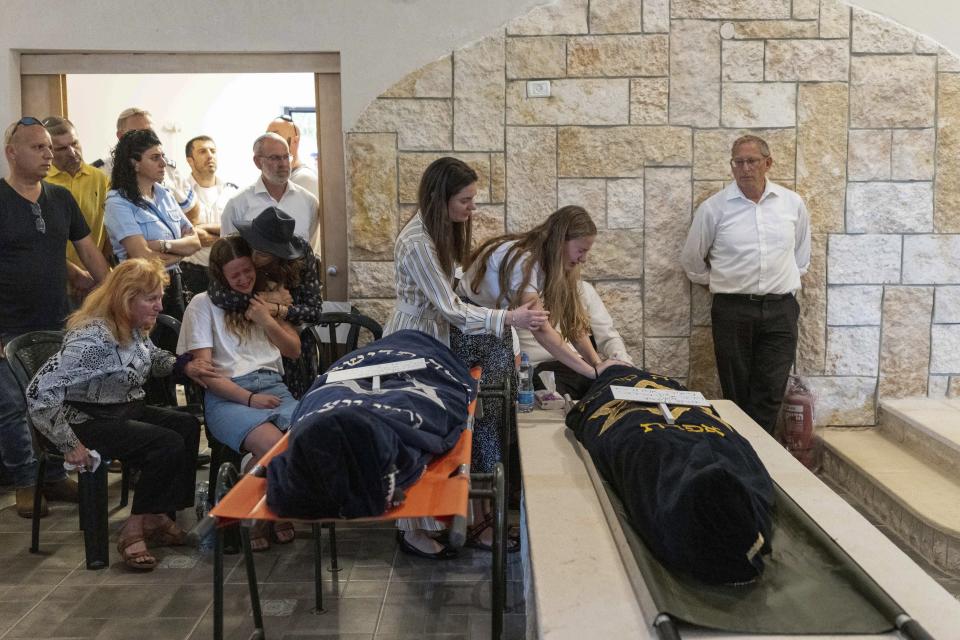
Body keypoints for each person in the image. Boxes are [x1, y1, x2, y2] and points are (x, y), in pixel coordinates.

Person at [385, 156, 550, 559]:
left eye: (473, 199)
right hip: (416, 336)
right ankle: (412, 528)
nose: (471, 208)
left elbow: (456, 296)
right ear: (439, 198)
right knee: (418, 429)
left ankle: (463, 514)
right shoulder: (418, 243)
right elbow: (450, 309)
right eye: (465, 200)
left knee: (460, 422)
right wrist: (507, 317)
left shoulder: (438, 234)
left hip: (436, 335)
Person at [25, 259, 215, 571]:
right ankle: (133, 529)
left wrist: (184, 365)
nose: (159, 305)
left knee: (186, 426)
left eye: (159, 297)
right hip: (84, 420)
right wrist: (68, 444)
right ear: (127, 298)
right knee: (164, 443)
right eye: (151, 299)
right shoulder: (93, 339)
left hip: (121, 408)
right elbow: (39, 391)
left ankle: (158, 515)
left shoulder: (133, 326)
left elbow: (150, 357)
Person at [0, 116, 110, 518]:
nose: (48, 154)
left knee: (54, 402)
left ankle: (51, 476)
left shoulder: (61, 199)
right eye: (38, 147)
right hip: (7, 324)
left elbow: (89, 251)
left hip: (55, 319)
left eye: (49, 147)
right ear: (12, 153)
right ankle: (26, 484)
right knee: (12, 407)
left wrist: (116, 295)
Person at [680, 134, 811, 434]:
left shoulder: (791, 204)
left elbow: (801, 258)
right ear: (732, 167)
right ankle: (746, 453)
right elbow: (691, 261)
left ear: (768, 163)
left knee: (771, 389)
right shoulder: (715, 208)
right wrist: (720, 283)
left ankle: (759, 455)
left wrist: (781, 282)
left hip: (781, 309)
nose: (745, 168)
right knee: (736, 391)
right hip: (733, 310)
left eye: (751, 161)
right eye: (738, 162)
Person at [178, 234, 301, 550]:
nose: (244, 279)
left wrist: (266, 319)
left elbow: (293, 350)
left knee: (306, 440)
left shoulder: (265, 299)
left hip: (274, 387)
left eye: (248, 271)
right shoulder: (202, 305)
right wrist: (248, 399)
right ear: (221, 275)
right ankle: (264, 515)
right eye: (235, 275)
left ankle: (256, 507)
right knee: (276, 448)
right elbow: (206, 374)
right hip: (228, 395)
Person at [206, 206, 323, 398]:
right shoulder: (239, 242)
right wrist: (267, 299)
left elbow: (314, 311)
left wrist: (278, 309)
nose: (253, 257)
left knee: (297, 403)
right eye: (252, 248)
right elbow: (218, 294)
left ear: (280, 253)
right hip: (250, 340)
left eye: (262, 254)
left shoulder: (302, 252)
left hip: (292, 338)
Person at [104, 129, 201, 319]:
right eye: (155, 157)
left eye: (162, 156)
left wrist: (163, 245)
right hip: (142, 289)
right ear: (135, 163)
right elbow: (142, 257)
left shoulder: (164, 194)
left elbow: (195, 242)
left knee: (175, 345)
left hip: (175, 284)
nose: (163, 163)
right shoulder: (118, 202)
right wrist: (181, 254)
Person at [517, 280, 634, 400]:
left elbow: (607, 336)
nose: (581, 260)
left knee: (627, 392)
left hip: (582, 367)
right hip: (537, 370)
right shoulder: (520, 290)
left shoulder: (582, 289)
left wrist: (622, 362)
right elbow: (544, 332)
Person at [42, 116, 111, 303]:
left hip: (96, 282)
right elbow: (40, 242)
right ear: (48, 150)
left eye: (75, 143)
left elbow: (108, 231)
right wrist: (74, 274)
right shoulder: (39, 183)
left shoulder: (99, 178)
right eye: (62, 148)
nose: (72, 153)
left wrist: (98, 274)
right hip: (55, 285)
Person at [95, 107, 200, 223]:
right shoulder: (101, 172)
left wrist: (184, 234)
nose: (146, 138)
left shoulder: (166, 167)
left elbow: (191, 208)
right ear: (120, 136)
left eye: (149, 132)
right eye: (137, 133)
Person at [220, 133, 319, 246]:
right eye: (275, 158)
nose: (283, 164)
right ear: (257, 162)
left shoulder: (309, 202)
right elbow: (229, 254)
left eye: (286, 157)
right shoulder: (237, 204)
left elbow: (309, 250)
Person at [181, 135, 237, 296]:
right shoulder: (179, 193)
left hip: (227, 272)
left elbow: (237, 229)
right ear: (190, 160)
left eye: (213, 151)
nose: (210, 155)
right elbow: (184, 233)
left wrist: (202, 228)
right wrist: (223, 234)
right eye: (202, 151)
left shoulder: (232, 191)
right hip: (192, 273)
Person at [266, 115, 319, 199]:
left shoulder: (304, 179)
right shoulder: (279, 177)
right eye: (267, 138)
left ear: (295, 141)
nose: (268, 144)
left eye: (276, 137)